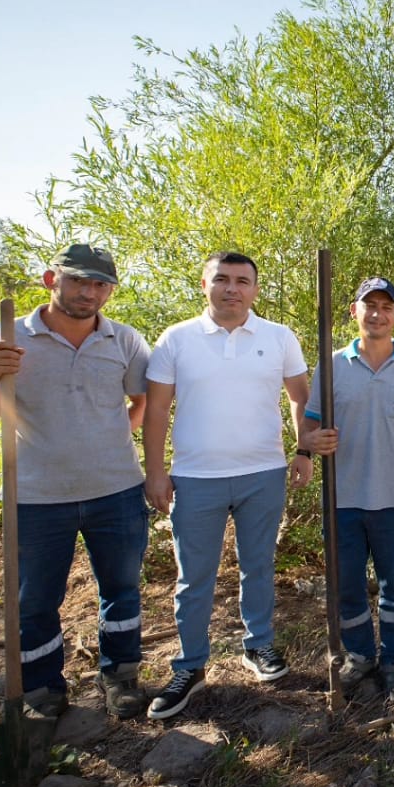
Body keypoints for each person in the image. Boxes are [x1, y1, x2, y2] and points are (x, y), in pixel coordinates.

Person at [0, 244, 150, 719]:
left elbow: (142, 400)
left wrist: (111, 436)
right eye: (78, 280)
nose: (89, 292)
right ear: (50, 279)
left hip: (117, 491)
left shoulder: (123, 340)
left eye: (100, 284)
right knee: (35, 601)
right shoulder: (4, 338)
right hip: (36, 497)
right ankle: (42, 690)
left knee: (122, 589)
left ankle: (120, 676)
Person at [143, 251, 312, 720]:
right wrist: (155, 471)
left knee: (258, 565)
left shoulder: (279, 337)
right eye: (222, 279)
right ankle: (190, 666)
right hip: (196, 478)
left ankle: (258, 646)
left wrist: (303, 450)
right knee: (194, 577)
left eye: (242, 280)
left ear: (255, 289)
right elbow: (157, 409)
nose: (232, 288)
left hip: (264, 473)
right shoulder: (177, 339)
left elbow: (301, 398)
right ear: (205, 285)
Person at [299, 277, 394, 704]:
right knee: (347, 586)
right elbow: (309, 423)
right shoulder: (331, 365)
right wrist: (309, 442)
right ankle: (359, 656)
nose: (377, 314)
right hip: (341, 499)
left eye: (386, 306)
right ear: (353, 312)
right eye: (369, 305)